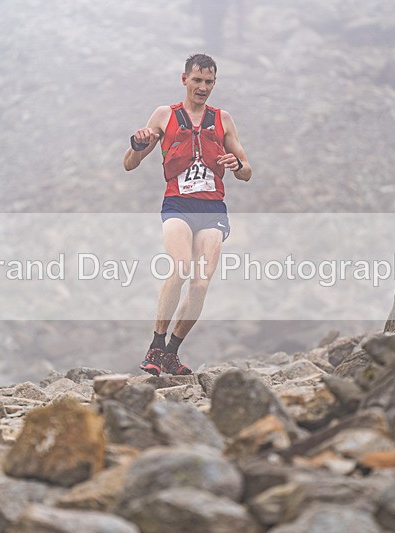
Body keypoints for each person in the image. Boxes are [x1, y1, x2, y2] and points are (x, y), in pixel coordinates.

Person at [123, 53, 252, 376]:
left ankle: (171, 352)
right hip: (178, 205)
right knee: (180, 268)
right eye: (197, 80)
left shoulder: (223, 119)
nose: (203, 87)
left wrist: (237, 165)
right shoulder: (165, 115)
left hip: (212, 209)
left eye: (209, 82)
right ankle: (156, 344)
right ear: (184, 80)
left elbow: (247, 171)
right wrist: (138, 145)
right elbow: (129, 163)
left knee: (200, 283)